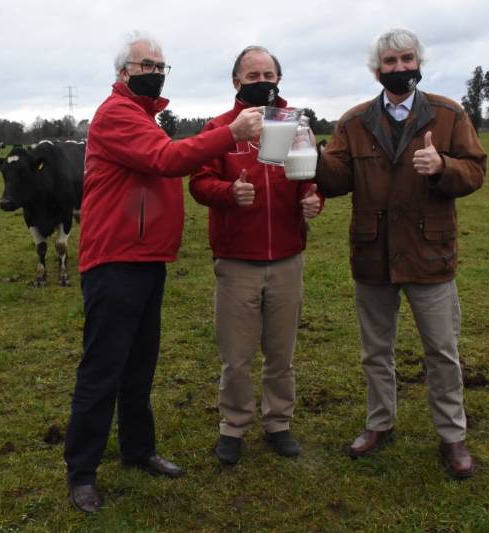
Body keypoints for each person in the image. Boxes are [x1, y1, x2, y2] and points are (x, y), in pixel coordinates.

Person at [63, 32, 263, 513]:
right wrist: (230, 132)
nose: (153, 70)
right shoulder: (116, 115)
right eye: (144, 64)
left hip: (147, 259)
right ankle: (82, 471)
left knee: (139, 363)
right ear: (122, 74)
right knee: (104, 368)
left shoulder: (143, 116)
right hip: (115, 260)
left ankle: (138, 449)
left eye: (160, 65)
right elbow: (167, 160)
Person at [314, 28, 486, 479]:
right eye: (389, 62)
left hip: (430, 253)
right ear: (377, 70)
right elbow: (336, 180)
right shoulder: (353, 122)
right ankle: (379, 424)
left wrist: (443, 167)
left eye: (406, 58)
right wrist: (309, 158)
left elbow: (476, 170)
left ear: (418, 61)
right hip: (373, 255)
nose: (399, 68)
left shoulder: (448, 114)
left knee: (441, 352)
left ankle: (452, 437)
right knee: (376, 352)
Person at [189, 46, 323, 465]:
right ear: (236, 83)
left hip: (286, 258)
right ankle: (233, 425)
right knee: (237, 356)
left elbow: (310, 181)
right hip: (237, 261)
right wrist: (229, 193)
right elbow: (198, 183)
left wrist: (314, 201)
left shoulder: (298, 126)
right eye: (252, 76)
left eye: (268, 74)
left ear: (278, 80)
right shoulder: (220, 129)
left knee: (281, 354)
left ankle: (278, 422)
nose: (261, 82)